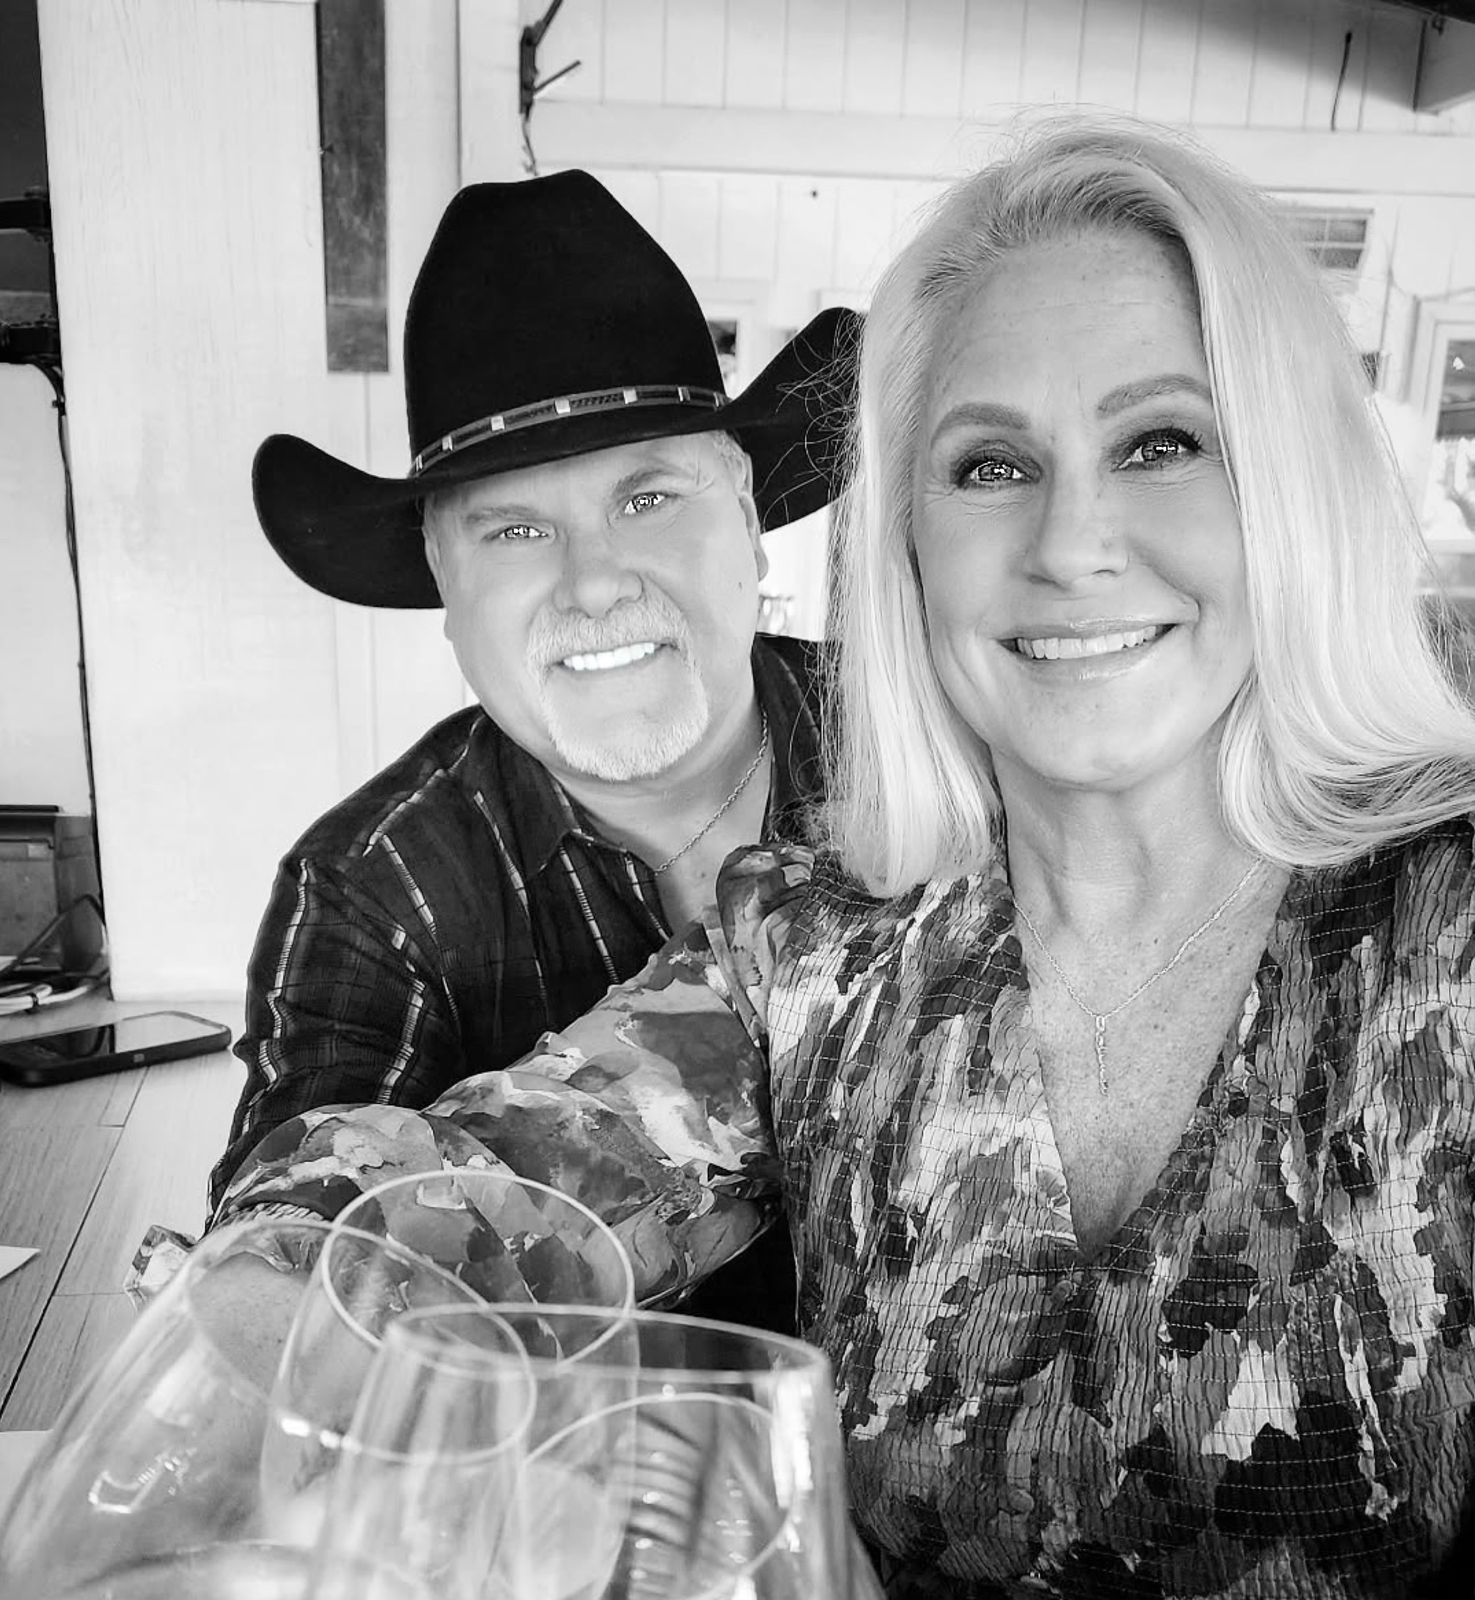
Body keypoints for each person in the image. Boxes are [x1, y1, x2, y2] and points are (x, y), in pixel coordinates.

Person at [215, 115, 1475, 1598]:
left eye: (1160, 442)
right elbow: (402, 1211)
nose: (1071, 542)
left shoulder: (1439, 928)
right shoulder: (806, 944)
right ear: (906, 544)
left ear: (1291, 484)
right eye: (989, 464)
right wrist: (313, 1310)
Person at [211, 171, 856, 1333]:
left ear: (748, 519)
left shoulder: (935, 747)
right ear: (442, 582)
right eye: (514, 529)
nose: (594, 581)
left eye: (647, 498)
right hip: (545, 1437)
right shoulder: (373, 885)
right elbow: (297, 1276)